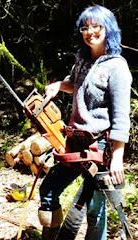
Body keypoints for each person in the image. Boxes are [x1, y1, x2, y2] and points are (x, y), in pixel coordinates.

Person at [38, 5, 132, 240]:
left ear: (108, 28)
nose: (90, 32)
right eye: (85, 27)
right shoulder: (82, 59)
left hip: (100, 147)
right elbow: (75, 84)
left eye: (96, 26)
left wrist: (118, 157)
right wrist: (60, 85)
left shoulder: (117, 67)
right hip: (74, 142)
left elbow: (121, 116)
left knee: (92, 209)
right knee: (48, 190)